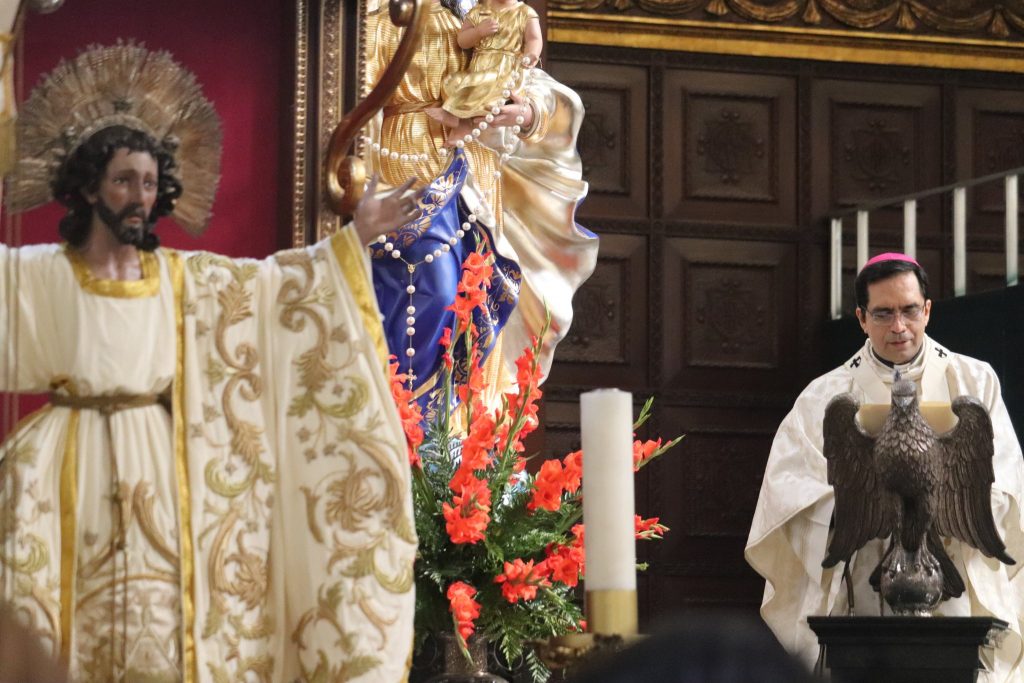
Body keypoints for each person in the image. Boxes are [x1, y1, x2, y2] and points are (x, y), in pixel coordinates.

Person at [1, 43, 420, 682]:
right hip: (64, 464)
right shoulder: (42, 274)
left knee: (164, 628)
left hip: (160, 466)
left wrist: (354, 237)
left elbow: (274, 290)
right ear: (87, 186)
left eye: (148, 182)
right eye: (123, 180)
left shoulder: (182, 280)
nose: (139, 196)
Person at [745, 253, 1024, 681]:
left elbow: (1007, 486)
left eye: (910, 310)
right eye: (883, 313)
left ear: (927, 310)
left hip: (954, 591)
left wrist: (944, 501)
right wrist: (856, 504)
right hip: (861, 591)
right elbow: (788, 496)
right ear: (861, 318)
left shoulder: (974, 382)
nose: (899, 326)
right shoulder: (824, 396)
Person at [364, 0, 597, 415]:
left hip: (475, 178)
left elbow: (529, 78)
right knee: (429, 282)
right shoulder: (387, 18)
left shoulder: (481, 10)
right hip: (407, 162)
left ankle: (449, 428)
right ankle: (406, 419)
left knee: (475, 291)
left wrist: (527, 111)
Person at [427, 0, 542, 144]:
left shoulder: (525, 13)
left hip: (504, 70)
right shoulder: (478, 11)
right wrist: (478, 32)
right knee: (452, 83)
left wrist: (531, 54)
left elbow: (534, 39)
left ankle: (461, 126)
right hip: (478, 66)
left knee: (484, 85)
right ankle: (459, 120)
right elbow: (462, 41)